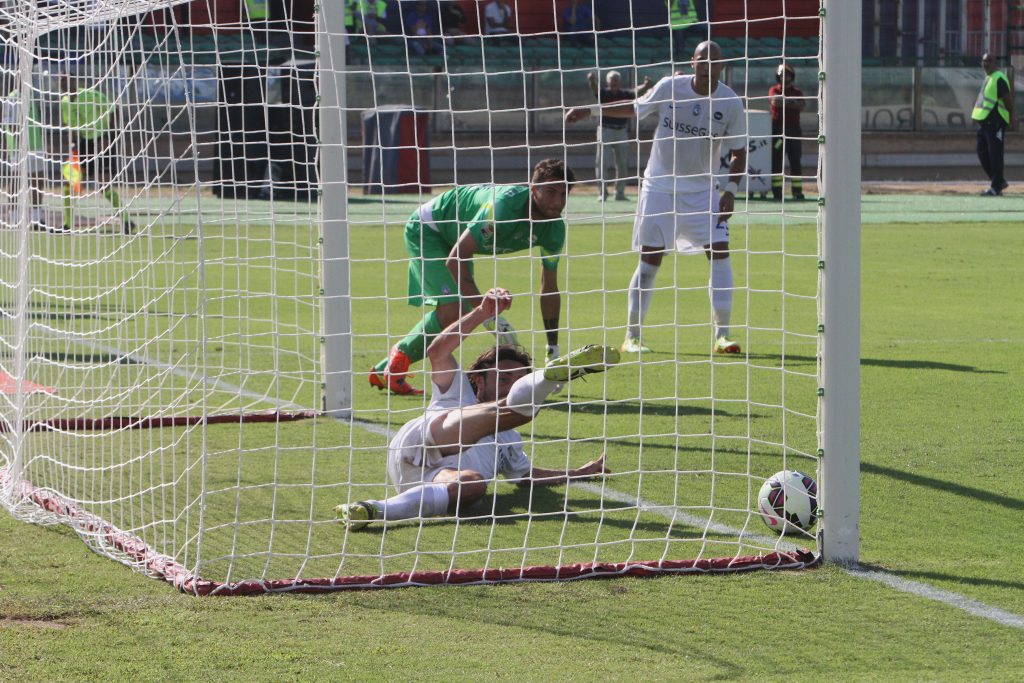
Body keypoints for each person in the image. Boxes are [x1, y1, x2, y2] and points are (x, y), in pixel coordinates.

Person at [336, 288, 618, 529]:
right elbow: (437, 352)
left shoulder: (510, 437)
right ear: (478, 380)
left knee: (474, 485)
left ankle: (369, 509)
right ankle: (546, 379)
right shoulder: (455, 388)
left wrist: (578, 473)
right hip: (422, 440)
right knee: (511, 411)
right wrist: (482, 312)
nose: (510, 384)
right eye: (505, 378)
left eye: (519, 380)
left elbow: (526, 477)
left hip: (425, 481)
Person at [566, 40, 747, 356]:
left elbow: (739, 151)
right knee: (650, 260)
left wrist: (730, 190)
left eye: (714, 60)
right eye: (702, 58)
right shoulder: (669, 87)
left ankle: (723, 335)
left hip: (703, 192)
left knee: (720, 251)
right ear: (692, 61)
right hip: (660, 188)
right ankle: (632, 335)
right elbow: (634, 108)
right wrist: (592, 109)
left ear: (721, 65)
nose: (707, 64)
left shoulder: (730, 102)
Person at [369, 159, 576, 395]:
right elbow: (455, 258)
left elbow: (549, 287)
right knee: (456, 309)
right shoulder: (502, 209)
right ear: (533, 188)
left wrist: (553, 350)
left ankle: (385, 370)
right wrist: (488, 317)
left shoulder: (555, 229)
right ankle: (398, 361)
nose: (558, 202)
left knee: (461, 311)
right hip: (430, 228)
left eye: (563, 194)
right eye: (550, 192)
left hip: (458, 238)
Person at [59, 74, 135, 234]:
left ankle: (127, 220)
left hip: (101, 141)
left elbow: (113, 109)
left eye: (67, 79)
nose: (64, 84)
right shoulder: (64, 102)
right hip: (83, 143)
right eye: (61, 81)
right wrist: (73, 145)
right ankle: (67, 224)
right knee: (69, 180)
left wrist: (110, 136)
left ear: (74, 80)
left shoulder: (90, 95)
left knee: (103, 185)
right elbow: (71, 126)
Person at [586, 70, 653, 201]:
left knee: (622, 163)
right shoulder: (603, 93)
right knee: (602, 163)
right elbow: (595, 88)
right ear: (607, 81)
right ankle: (602, 193)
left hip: (621, 131)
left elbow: (636, 91)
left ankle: (620, 192)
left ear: (619, 81)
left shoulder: (625, 94)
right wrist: (591, 80)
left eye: (617, 79)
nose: (615, 81)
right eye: (612, 79)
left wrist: (646, 85)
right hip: (605, 130)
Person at [1, 78, 48, 229]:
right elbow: (11, 124)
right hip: (19, 148)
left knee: (37, 180)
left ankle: (36, 219)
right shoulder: (13, 97)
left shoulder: (34, 95)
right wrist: (21, 144)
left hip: (37, 146)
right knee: (16, 180)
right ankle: (14, 218)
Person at [972, 52, 1013, 196]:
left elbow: (1008, 100)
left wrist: (1012, 117)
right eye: (984, 61)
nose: (986, 63)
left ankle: (996, 187)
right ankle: (999, 181)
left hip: (996, 121)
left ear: (995, 62)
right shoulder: (988, 78)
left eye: (989, 61)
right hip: (985, 122)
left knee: (995, 153)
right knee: (981, 150)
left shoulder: (999, 78)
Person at [768, 63, 806, 201]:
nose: (785, 77)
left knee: (795, 160)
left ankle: (797, 191)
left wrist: (786, 101)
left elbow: (801, 105)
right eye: (782, 75)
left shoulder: (797, 92)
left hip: (794, 131)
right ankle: (777, 191)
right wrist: (791, 103)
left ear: (792, 76)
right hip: (777, 131)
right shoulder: (774, 90)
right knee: (777, 160)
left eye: (788, 74)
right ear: (778, 76)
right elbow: (775, 102)